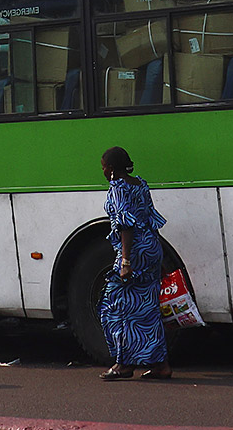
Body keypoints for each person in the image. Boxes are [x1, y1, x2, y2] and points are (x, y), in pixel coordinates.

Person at [96, 146, 172, 382]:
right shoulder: (140, 184)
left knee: (114, 306)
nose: (102, 170)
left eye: (103, 167)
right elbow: (151, 218)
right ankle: (161, 365)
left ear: (110, 169)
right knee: (146, 310)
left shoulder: (118, 188)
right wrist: (156, 256)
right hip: (151, 248)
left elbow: (125, 225)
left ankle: (122, 364)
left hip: (134, 252)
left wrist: (126, 261)